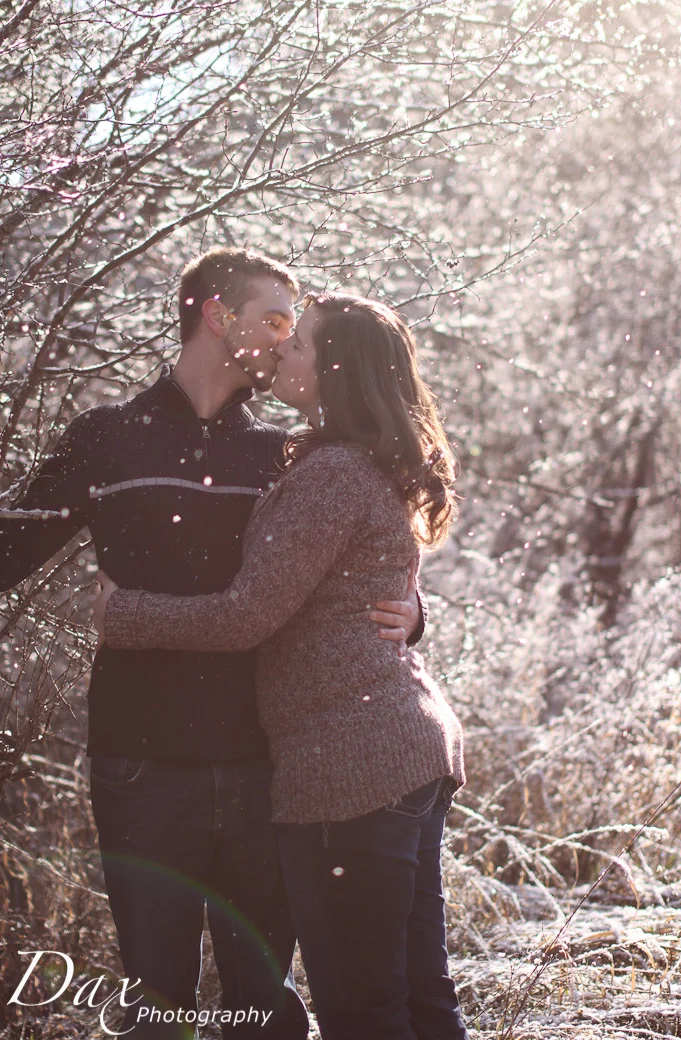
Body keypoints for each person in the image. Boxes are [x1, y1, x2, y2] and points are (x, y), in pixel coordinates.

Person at [0, 252, 425, 1039]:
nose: (287, 339)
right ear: (214, 315)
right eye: (273, 319)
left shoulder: (286, 457)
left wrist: (412, 610)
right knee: (156, 1006)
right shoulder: (106, 439)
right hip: (140, 759)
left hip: (268, 763)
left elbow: (360, 558)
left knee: (261, 1009)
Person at [94, 292, 470, 1040]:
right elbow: (368, 583)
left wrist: (123, 613)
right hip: (399, 750)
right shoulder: (357, 464)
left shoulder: (330, 475)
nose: (281, 353)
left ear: (332, 370)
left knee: (365, 1011)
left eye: (297, 345)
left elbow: (246, 616)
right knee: (419, 1000)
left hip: (352, 770)